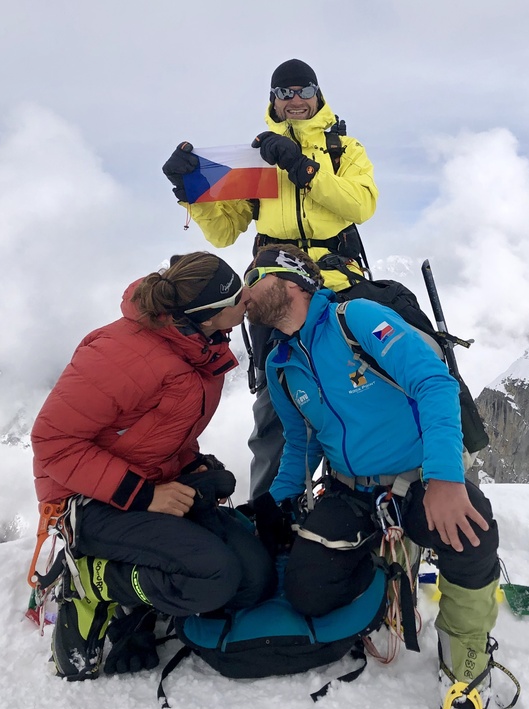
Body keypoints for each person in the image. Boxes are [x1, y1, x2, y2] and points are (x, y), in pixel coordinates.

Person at [243, 245, 503, 709]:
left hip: (418, 477)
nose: (246, 295)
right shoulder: (280, 365)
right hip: (349, 491)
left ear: (292, 282)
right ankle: (389, 574)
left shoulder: (354, 319)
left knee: (470, 530)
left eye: (255, 280)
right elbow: (300, 442)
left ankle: (465, 643)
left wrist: (447, 479)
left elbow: (433, 382)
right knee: (309, 595)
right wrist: (276, 502)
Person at [31, 252, 277, 681]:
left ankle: (146, 592)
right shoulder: (122, 354)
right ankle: (91, 583)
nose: (247, 301)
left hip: (146, 486)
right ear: (207, 314)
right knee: (213, 578)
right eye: (238, 296)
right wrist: (147, 495)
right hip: (89, 502)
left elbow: (152, 432)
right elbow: (53, 441)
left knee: (252, 581)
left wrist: (193, 464)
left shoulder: (197, 347)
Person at [162, 58, 378, 500]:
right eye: (285, 92)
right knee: (278, 403)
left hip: (337, 276)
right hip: (273, 280)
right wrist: (191, 191)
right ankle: (272, 509)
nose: (295, 99)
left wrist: (305, 170)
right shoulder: (256, 158)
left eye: (303, 90)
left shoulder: (344, 150)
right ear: (273, 101)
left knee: (367, 373)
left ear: (318, 95)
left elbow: (361, 205)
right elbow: (224, 230)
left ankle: (362, 485)